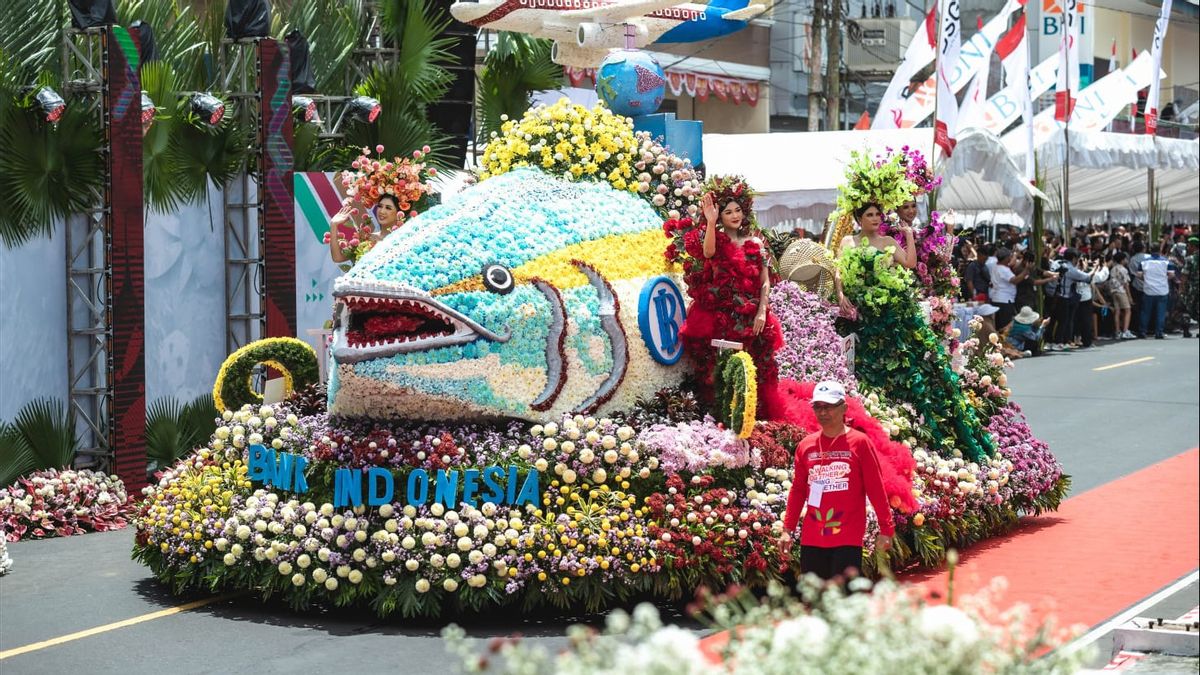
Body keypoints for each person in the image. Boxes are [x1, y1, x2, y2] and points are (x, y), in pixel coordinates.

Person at [678, 177, 784, 414]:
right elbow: (708, 252)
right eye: (728, 212)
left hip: (752, 318)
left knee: (757, 370)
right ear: (721, 216)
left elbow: (765, 282)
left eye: (737, 210)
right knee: (720, 372)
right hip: (721, 320)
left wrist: (762, 313)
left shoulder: (757, 242)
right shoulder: (717, 240)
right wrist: (711, 220)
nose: (735, 215)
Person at [781, 381, 894, 581]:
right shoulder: (805, 446)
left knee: (842, 602)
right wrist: (787, 530)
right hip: (813, 538)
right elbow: (798, 490)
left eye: (829, 406)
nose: (823, 412)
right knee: (816, 600)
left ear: (844, 408)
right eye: (818, 407)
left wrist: (886, 529)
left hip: (847, 539)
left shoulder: (860, 443)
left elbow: (875, 488)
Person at [839, 202, 917, 271]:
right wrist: (839, 288)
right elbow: (839, 271)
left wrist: (909, 233)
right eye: (870, 215)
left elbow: (910, 263)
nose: (875, 218)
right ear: (860, 219)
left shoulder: (887, 241)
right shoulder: (847, 241)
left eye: (878, 214)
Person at [328, 193, 402, 264]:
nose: (382, 211)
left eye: (388, 208)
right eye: (380, 206)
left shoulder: (406, 233)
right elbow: (337, 257)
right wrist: (333, 225)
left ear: (398, 212)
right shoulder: (367, 239)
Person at [1136, 245, 1175, 339]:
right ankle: (1159, 332)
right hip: (1162, 290)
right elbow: (1172, 275)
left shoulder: (1144, 262)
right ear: (1160, 250)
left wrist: (1146, 279)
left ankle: (1142, 331)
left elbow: (1138, 275)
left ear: (1150, 250)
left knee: (1145, 312)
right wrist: (1164, 279)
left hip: (1148, 290)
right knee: (1160, 312)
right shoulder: (1166, 262)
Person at [988, 247, 1028, 332]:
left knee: (998, 325)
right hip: (1005, 301)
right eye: (1009, 257)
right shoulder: (1004, 269)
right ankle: (1003, 344)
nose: (1010, 258)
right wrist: (1026, 270)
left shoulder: (996, 266)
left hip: (997, 298)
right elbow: (1014, 280)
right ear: (1005, 258)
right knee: (1005, 326)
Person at [1107, 252, 1135, 339]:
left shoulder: (1113, 269)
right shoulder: (1123, 269)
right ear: (1122, 260)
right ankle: (1125, 331)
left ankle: (1117, 331)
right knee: (1127, 310)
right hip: (1121, 291)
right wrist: (1129, 296)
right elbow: (1126, 284)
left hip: (1113, 291)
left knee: (1117, 311)